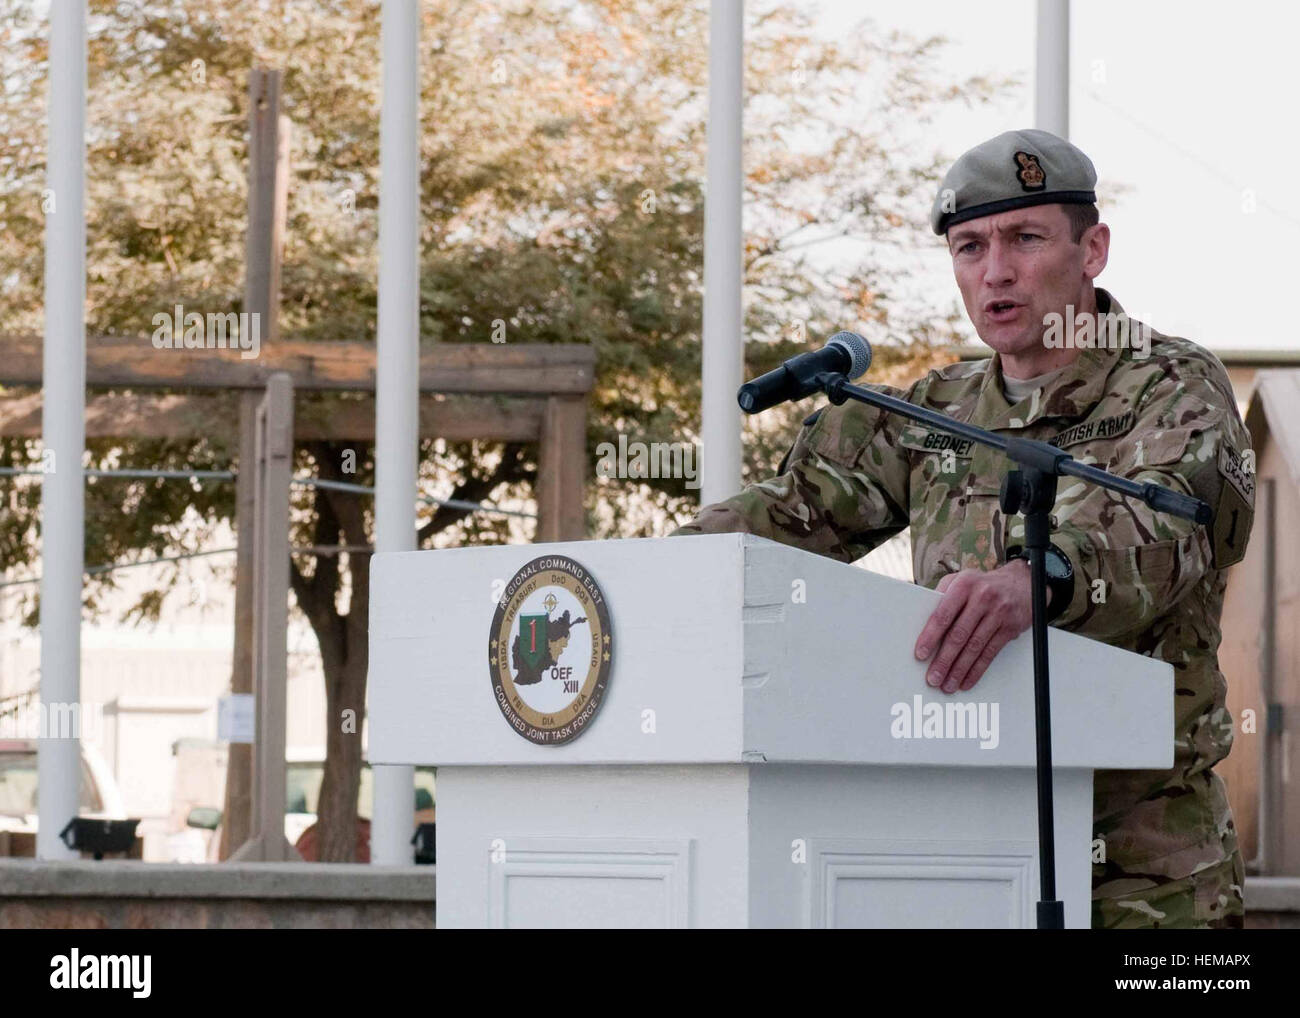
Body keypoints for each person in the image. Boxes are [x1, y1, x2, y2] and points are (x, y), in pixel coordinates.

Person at [672, 128, 1256, 929]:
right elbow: (788, 516)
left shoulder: (1172, 386)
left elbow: (1168, 525)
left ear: (1093, 250)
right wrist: (647, 576)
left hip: (1143, 863)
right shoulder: (930, 411)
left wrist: (1038, 577)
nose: (996, 271)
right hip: (963, 838)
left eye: (1026, 239)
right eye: (969, 247)